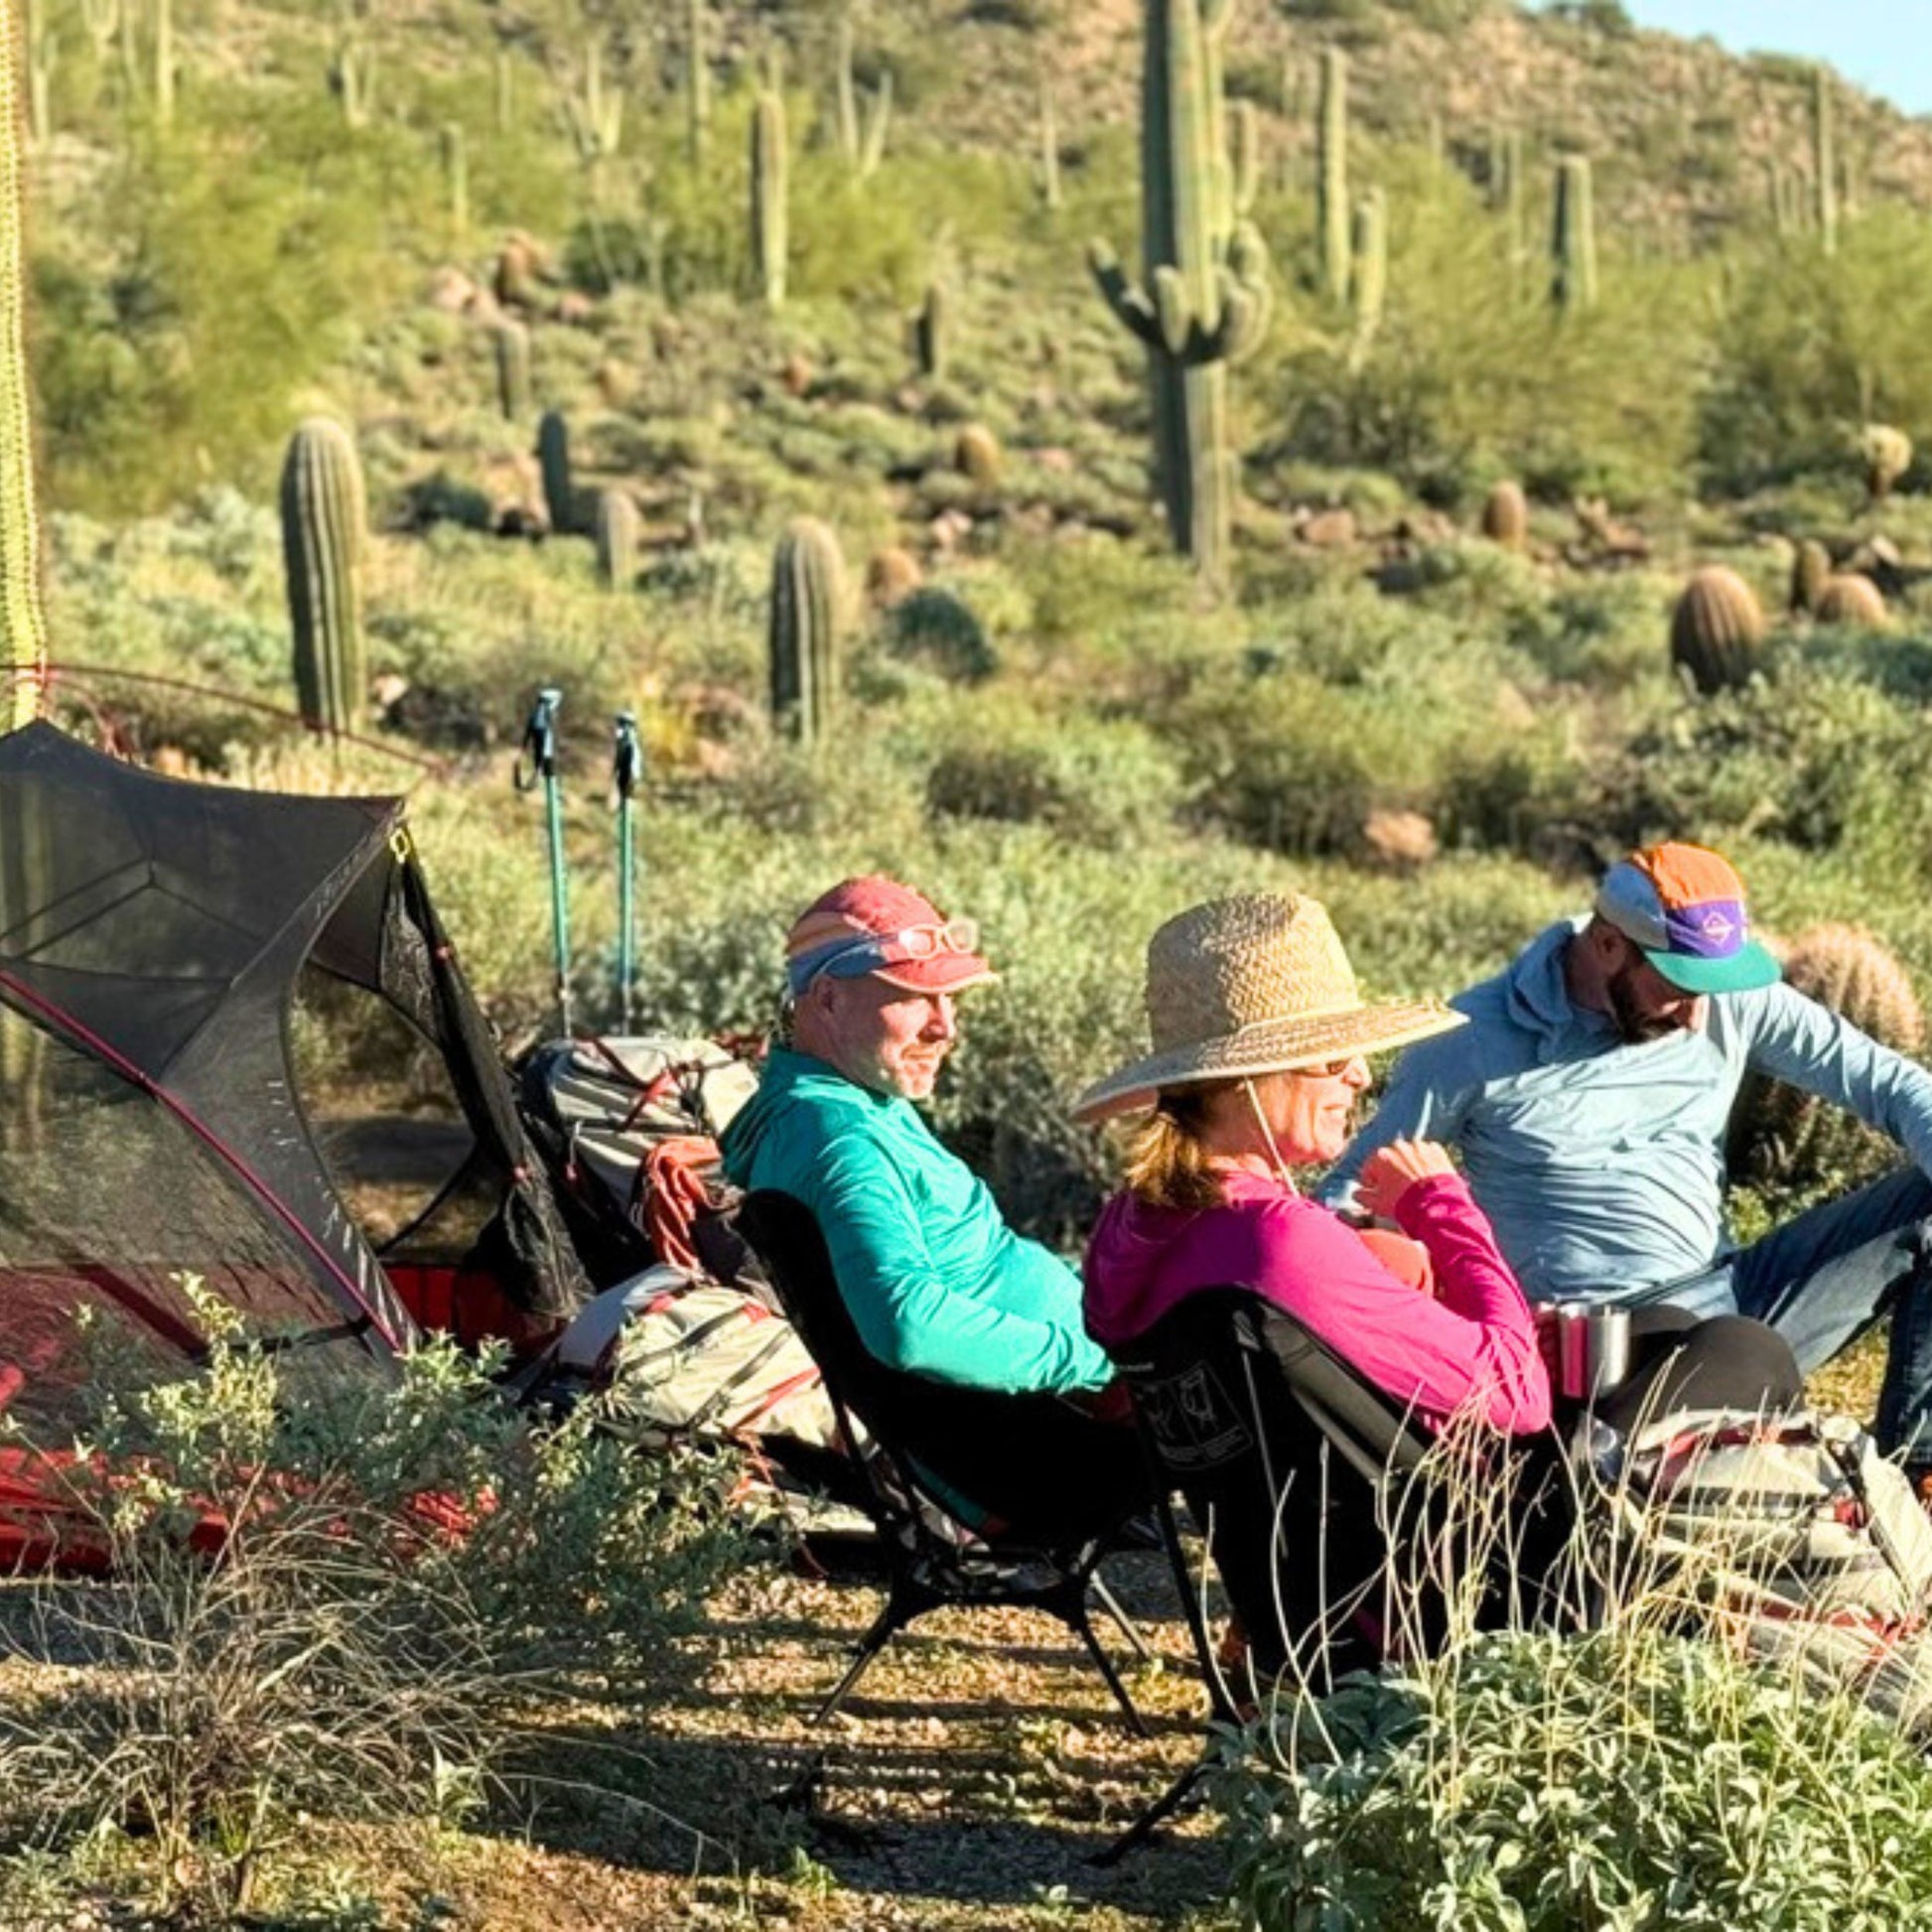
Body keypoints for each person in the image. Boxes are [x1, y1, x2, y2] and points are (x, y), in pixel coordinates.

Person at [1321, 840, 1932, 1471]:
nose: (1695, 1015)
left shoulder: (1725, 1000)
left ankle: (1919, 1471)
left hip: (1739, 1295)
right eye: (1676, 987)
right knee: (1649, 1426)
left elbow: (1892, 1084)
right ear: (1609, 945)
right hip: (1599, 1346)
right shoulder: (1472, 1040)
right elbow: (1347, 1195)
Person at [722, 874, 1139, 1536]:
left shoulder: (848, 1103)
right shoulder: (841, 1139)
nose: (946, 1027)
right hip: (1050, 1442)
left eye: (950, 998)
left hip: (1051, 1411)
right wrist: (1089, 1359)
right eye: (917, 998)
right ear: (827, 998)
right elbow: (908, 1326)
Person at [1074, 891, 1553, 1436]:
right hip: (1378, 1490)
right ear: (1245, 1079)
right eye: (1332, 1057)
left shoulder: (1129, 1225)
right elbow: (1518, 1397)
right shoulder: (1281, 1239)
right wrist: (1441, 1203)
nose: (1360, 1075)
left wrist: (1368, 1254)